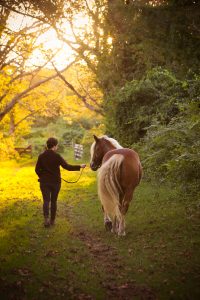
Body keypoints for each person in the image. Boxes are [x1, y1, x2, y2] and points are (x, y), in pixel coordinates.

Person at [35, 137, 86, 227]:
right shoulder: (57, 156)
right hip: (56, 183)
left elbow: (37, 170)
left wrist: (42, 176)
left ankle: (46, 219)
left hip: (44, 182)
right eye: (57, 146)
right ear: (54, 146)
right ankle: (52, 221)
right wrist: (80, 166)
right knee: (54, 201)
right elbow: (67, 167)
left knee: (46, 201)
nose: (57, 147)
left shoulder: (41, 156)